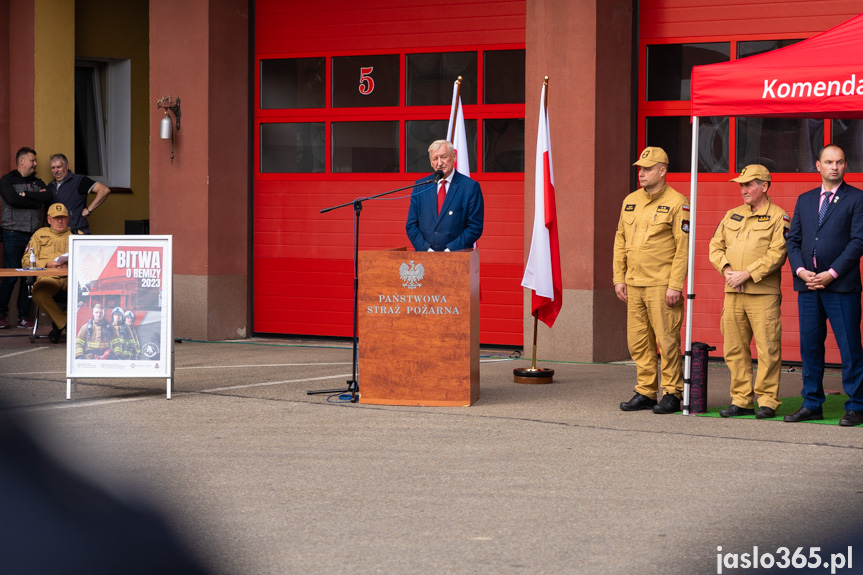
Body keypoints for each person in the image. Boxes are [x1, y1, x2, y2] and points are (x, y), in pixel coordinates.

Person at [785, 143, 863, 427]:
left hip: (841, 287)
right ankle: (812, 404)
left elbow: (858, 242)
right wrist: (801, 270)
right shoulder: (805, 200)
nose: (834, 167)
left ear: (845, 166)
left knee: (849, 347)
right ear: (817, 165)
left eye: (839, 162)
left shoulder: (856, 198)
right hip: (808, 286)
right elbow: (793, 240)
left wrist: (832, 273)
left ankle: (856, 405)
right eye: (828, 162)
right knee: (810, 347)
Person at [708, 165, 789, 419]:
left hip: (762, 295)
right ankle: (741, 400)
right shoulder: (732, 214)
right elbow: (715, 246)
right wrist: (728, 269)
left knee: (768, 349)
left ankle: (767, 400)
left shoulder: (779, 217)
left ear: (764, 186)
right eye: (741, 185)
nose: (743, 190)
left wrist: (748, 273)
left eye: (749, 184)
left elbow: (777, 253)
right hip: (732, 293)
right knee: (734, 349)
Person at [614, 147, 690, 414]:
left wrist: (675, 285)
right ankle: (646, 391)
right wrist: (618, 278)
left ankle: (672, 392)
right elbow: (620, 240)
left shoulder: (678, 202)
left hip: (661, 284)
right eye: (640, 168)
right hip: (634, 283)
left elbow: (683, 248)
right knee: (638, 341)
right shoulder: (630, 200)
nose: (641, 173)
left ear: (662, 170)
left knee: (667, 340)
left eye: (647, 168)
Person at [0, 147, 53, 328]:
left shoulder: (37, 182)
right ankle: (1, 314)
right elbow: (12, 200)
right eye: (32, 160)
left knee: (29, 277)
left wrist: (27, 194)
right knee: (10, 276)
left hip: (33, 236)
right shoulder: (7, 180)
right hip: (13, 234)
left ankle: (24, 316)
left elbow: (47, 197)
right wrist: (34, 202)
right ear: (21, 161)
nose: (35, 164)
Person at [406, 140, 484, 252]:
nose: (439, 163)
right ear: (431, 162)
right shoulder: (421, 186)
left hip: (458, 256)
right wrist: (427, 249)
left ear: (454, 157)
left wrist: (450, 250)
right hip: (425, 257)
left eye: (443, 157)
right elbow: (411, 225)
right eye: (435, 159)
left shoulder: (470, 187)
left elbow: (474, 227)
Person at [21, 203, 82, 343]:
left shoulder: (77, 234)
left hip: (71, 278)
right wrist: (47, 264)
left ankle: (58, 325)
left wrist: (69, 264)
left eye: (63, 217)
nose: (60, 221)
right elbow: (25, 261)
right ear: (49, 219)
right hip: (49, 278)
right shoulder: (39, 235)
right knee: (39, 294)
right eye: (56, 218)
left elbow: (90, 260)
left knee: (90, 294)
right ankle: (66, 324)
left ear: (68, 218)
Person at [47, 153, 111, 234]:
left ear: (66, 166)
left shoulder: (79, 180)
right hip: (58, 235)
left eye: (59, 167)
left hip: (78, 232)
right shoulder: (50, 186)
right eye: (53, 168)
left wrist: (89, 209)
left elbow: (104, 190)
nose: (56, 170)